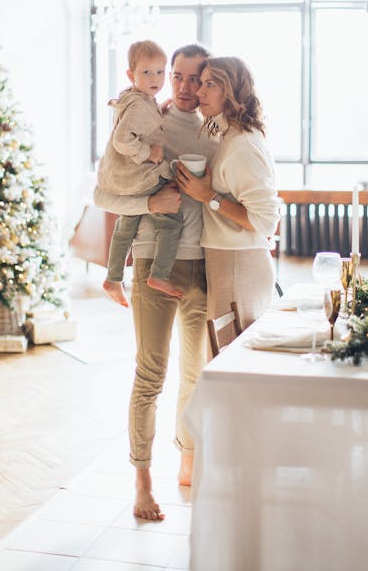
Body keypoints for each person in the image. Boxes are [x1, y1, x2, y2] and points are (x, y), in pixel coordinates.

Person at [94, 43, 216, 521]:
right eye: (179, 77)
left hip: (202, 264)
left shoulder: (214, 133)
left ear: (209, 84)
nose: (186, 87)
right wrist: (149, 206)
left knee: (196, 373)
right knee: (151, 375)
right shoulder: (150, 120)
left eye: (196, 79)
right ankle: (142, 481)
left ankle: (187, 458)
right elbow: (111, 193)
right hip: (150, 264)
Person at [175, 55, 281, 328]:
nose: (199, 91)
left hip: (238, 265)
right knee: (228, 361)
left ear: (231, 91)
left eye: (210, 84)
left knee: (230, 365)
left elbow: (266, 222)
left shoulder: (242, 145)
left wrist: (207, 197)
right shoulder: (232, 137)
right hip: (229, 262)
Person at [97, 40, 183, 307]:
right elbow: (122, 140)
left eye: (159, 72)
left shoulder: (138, 99)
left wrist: (160, 110)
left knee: (126, 226)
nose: (155, 78)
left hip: (122, 178)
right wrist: (148, 153)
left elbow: (140, 123)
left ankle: (113, 278)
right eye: (146, 72)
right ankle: (159, 274)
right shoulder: (138, 105)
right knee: (171, 221)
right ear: (130, 75)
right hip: (139, 176)